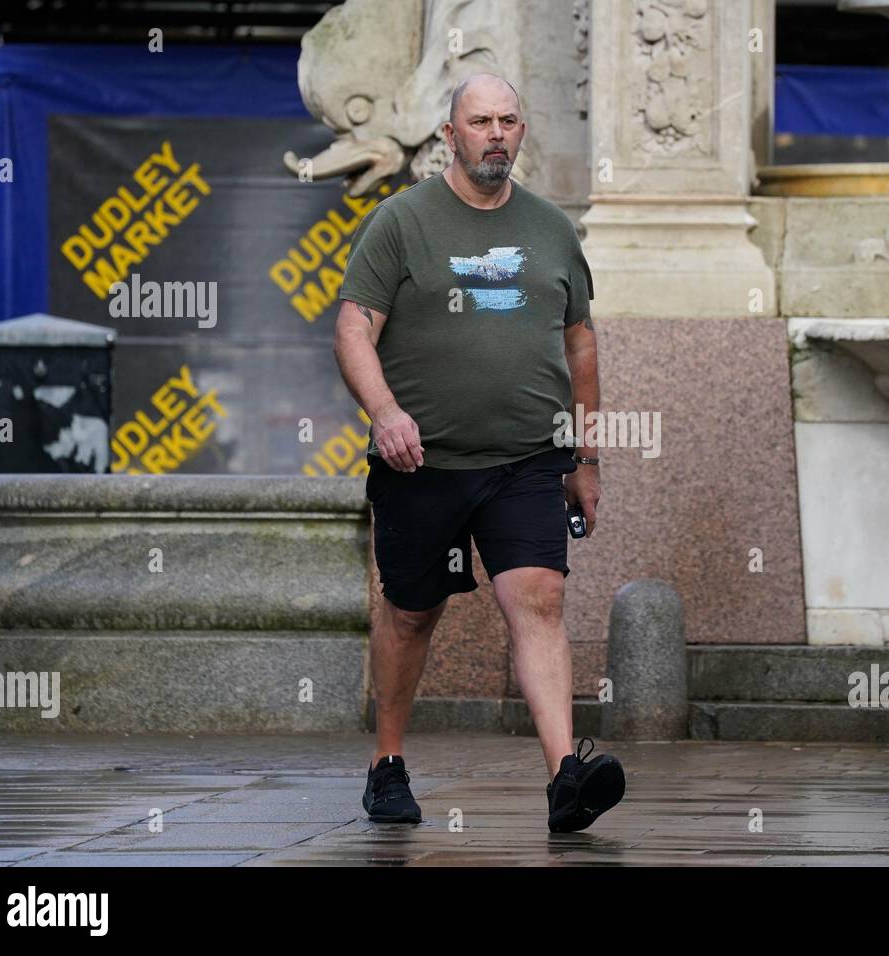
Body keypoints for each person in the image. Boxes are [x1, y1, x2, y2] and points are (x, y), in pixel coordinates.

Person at [333, 72, 625, 833]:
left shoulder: (553, 229)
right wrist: (385, 411)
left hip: (527, 460)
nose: (495, 134)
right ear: (450, 136)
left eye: (507, 121)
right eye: (480, 122)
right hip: (419, 462)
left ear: (522, 133)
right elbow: (353, 329)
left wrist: (583, 456)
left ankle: (565, 776)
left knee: (539, 598)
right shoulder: (401, 222)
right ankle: (387, 762)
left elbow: (580, 344)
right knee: (411, 614)